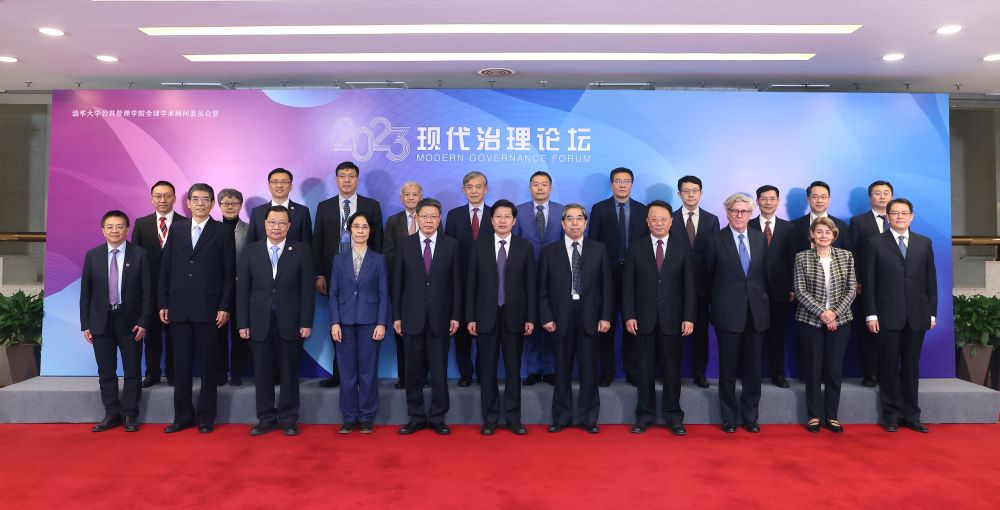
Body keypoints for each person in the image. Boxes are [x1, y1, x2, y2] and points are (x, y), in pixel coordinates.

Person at [159, 183, 235, 434]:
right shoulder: (177, 229)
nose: (200, 203)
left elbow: (228, 273)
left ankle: (206, 418)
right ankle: (182, 417)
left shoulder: (222, 232)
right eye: (196, 199)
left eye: (205, 199)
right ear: (188, 203)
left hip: (209, 309)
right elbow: (166, 268)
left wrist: (224, 305)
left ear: (212, 203)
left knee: (208, 366)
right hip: (178, 307)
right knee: (180, 366)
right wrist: (164, 302)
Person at [237, 205, 315, 437]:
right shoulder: (251, 251)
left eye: (282, 223)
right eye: (272, 222)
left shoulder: (301, 251)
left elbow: (307, 290)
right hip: (258, 322)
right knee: (262, 373)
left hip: (290, 322)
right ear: (265, 224)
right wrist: (243, 323)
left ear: (289, 226)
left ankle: (289, 418)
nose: (276, 227)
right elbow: (243, 290)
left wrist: (306, 322)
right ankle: (265, 418)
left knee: (289, 373)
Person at [623, 200, 696, 436]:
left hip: (673, 320)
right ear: (647, 222)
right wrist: (629, 314)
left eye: (663, 219)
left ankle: (674, 416)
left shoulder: (682, 248)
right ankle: (644, 416)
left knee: (672, 371)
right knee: (644, 371)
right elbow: (628, 285)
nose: (659, 223)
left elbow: (689, 286)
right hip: (643, 320)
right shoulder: (636, 247)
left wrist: (688, 317)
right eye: (654, 219)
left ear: (671, 221)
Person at [864, 198, 937, 433]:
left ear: (911, 216)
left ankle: (912, 416)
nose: (900, 217)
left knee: (911, 367)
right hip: (887, 315)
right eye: (895, 213)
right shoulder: (874, 243)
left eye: (904, 213)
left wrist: (932, 313)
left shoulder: (924, 242)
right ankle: (891, 415)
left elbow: (930, 280)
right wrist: (871, 314)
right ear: (887, 217)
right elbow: (869, 282)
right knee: (888, 367)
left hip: (917, 314)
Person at [538, 204, 611, 434]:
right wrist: (546, 316)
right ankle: (561, 417)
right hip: (560, 316)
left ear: (585, 223)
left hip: (590, 315)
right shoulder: (549, 251)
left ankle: (589, 417)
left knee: (589, 370)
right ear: (562, 223)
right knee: (562, 370)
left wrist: (605, 317)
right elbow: (542, 290)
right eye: (569, 219)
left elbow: (606, 287)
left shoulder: (598, 249)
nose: (575, 223)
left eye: (579, 218)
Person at [467, 199, 536, 436]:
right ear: (491, 220)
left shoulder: (525, 247)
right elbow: (471, 284)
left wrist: (530, 317)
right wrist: (470, 317)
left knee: (513, 369)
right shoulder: (479, 246)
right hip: (485, 316)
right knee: (487, 370)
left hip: (515, 317)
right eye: (498, 216)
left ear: (514, 221)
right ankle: (490, 418)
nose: (503, 221)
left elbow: (530, 285)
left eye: (507, 217)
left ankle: (514, 418)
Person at [394, 198, 461, 435]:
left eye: (434, 216)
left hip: (441, 318)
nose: (429, 221)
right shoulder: (405, 244)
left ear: (439, 219)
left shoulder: (451, 245)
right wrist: (396, 316)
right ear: (417, 218)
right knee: (412, 371)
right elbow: (398, 283)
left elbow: (457, 284)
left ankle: (437, 417)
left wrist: (455, 315)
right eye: (425, 216)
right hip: (411, 317)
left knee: (439, 370)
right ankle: (415, 416)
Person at [80, 210, 152, 433]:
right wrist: (85, 324)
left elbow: (148, 292)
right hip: (100, 322)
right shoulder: (93, 255)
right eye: (110, 227)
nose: (114, 230)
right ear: (103, 230)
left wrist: (144, 321)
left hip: (130, 323)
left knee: (132, 371)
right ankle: (111, 413)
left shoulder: (140, 255)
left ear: (127, 229)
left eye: (119, 226)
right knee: (106, 371)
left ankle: (130, 414)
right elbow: (86, 293)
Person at [314, 161, 384, 389]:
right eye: (342, 176)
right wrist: (319, 274)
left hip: (364, 276)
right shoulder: (324, 207)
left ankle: (362, 378)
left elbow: (379, 242)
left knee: (363, 328)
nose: (346, 180)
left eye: (351, 176)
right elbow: (318, 241)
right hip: (335, 275)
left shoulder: (371, 206)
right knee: (338, 326)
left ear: (357, 179)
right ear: (336, 179)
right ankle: (340, 374)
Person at [705, 193, 769, 434]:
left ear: (750, 214)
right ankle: (729, 418)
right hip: (727, 314)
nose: (739, 215)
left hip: (756, 313)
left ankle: (750, 417)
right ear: (727, 213)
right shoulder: (715, 240)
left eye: (744, 211)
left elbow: (764, 274)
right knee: (728, 370)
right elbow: (706, 279)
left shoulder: (759, 238)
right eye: (734, 211)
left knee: (754, 370)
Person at [793, 217, 856, 433]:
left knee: (834, 370)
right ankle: (814, 415)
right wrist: (823, 313)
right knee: (813, 369)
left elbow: (851, 289)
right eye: (819, 231)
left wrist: (834, 313)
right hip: (810, 321)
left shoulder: (846, 256)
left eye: (828, 232)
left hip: (841, 321)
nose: (823, 236)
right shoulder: (802, 257)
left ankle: (832, 415)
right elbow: (800, 290)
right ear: (812, 234)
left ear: (834, 235)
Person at [587, 167, 648, 387]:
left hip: (635, 275)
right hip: (607, 274)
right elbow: (593, 242)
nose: (622, 185)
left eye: (626, 181)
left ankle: (632, 370)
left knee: (633, 324)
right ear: (612, 184)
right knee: (606, 325)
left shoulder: (642, 210)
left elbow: (647, 244)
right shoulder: (599, 209)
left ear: (632, 184)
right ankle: (607, 370)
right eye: (618, 181)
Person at [329, 212, 389, 434]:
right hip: (344, 323)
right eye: (356, 227)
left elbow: (384, 294)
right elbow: (333, 293)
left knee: (367, 372)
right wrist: (335, 322)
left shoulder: (379, 259)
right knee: (347, 373)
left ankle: (366, 416)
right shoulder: (339, 259)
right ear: (349, 230)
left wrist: (381, 323)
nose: (360, 231)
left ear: (370, 231)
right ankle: (349, 416)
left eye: (364, 227)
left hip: (370, 323)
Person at [132, 180, 186, 388]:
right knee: (151, 334)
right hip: (150, 289)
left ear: (174, 198)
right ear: (152, 199)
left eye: (167, 195)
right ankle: (152, 373)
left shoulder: (185, 223)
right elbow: (135, 258)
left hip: (177, 290)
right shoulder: (141, 224)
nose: (163, 200)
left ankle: (173, 374)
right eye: (158, 196)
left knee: (175, 335)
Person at [512, 171, 563, 386]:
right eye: (535, 184)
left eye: (544, 184)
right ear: (530, 188)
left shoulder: (562, 211)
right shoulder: (518, 211)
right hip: (527, 273)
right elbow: (514, 243)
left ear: (550, 188)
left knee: (552, 321)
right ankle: (533, 369)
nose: (540, 188)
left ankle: (550, 369)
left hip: (556, 274)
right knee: (530, 320)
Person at [383, 181, 436, 389]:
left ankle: (423, 376)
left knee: (427, 332)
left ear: (421, 197)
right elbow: (389, 253)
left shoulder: (433, 220)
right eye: (407, 194)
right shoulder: (393, 221)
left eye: (415, 194)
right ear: (401, 198)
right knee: (403, 333)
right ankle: (404, 377)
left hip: (429, 289)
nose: (411, 198)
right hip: (402, 288)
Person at [669, 175, 720, 389]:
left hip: (701, 287)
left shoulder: (712, 220)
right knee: (673, 334)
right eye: (686, 191)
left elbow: (716, 255)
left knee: (700, 334)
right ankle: (672, 374)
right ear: (679, 193)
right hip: (673, 287)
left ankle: (699, 373)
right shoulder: (669, 219)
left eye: (695, 191)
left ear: (700, 193)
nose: (690, 195)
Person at [444, 171, 493, 387]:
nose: (474, 191)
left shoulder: (495, 214)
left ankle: (483, 372)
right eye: (469, 187)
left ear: (486, 189)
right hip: (460, 282)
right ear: (463, 190)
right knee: (462, 331)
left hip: (488, 282)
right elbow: (447, 249)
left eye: (478, 186)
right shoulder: (454, 215)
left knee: (486, 330)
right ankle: (466, 373)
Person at [749, 185, 795, 388]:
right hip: (753, 290)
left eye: (772, 198)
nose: (768, 202)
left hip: (780, 291)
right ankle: (752, 374)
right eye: (764, 198)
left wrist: (792, 287)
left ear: (778, 201)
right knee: (754, 335)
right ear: (757, 201)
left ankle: (778, 374)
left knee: (777, 335)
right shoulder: (748, 224)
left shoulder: (788, 228)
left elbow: (793, 259)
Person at [849, 180, 894, 387]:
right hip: (866, 285)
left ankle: (888, 373)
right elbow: (852, 253)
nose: (882, 196)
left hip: (892, 287)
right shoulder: (859, 222)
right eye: (877, 193)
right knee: (867, 331)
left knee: (891, 331)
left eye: (886, 193)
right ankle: (870, 373)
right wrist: (857, 280)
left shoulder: (898, 219)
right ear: (870, 197)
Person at [217, 188, 250, 386]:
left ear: (240, 205)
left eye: (234, 203)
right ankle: (220, 372)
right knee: (218, 333)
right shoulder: (212, 228)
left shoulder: (251, 229)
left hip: (241, 289)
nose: (230, 206)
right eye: (226, 203)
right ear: (219, 205)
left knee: (240, 332)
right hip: (217, 291)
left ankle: (237, 373)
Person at [246, 168, 313, 244]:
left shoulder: (302, 212)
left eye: (284, 182)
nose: (279, 185)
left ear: (291, 186)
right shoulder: (257, 212)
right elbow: (251, 244)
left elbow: (307, 244)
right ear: (269, 186)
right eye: (275, 182)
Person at [791, 181, 850, 253]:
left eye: (823, 197)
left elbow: (847, 254)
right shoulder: (793, 226)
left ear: (829, 199)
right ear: (808, 199)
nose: (819, 201)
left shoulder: (841, 226)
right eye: (815, 197)